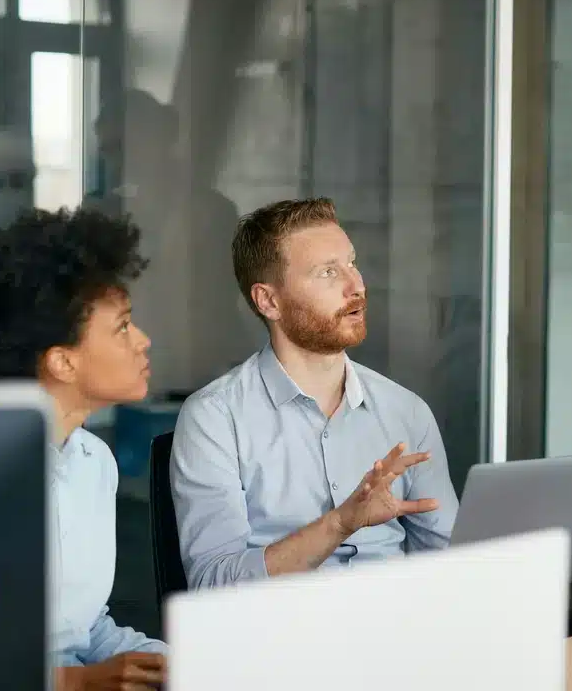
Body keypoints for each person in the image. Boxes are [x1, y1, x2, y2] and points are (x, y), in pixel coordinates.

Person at [170, 198, 458, 590]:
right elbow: (212, 585)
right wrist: (339, 524)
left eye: (352, 263)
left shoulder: (406, 411)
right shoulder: (214, 418)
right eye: (328, 272)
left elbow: (448, 563)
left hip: (392, 619)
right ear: (269, 301)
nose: (357, 286)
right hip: (280, 624)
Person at [0, 207, 168, 690]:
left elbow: (85, 629)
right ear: (62, 362)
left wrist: (187, 662)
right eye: (123, 327)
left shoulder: (94, 462)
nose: (144, 341)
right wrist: (76, 682)